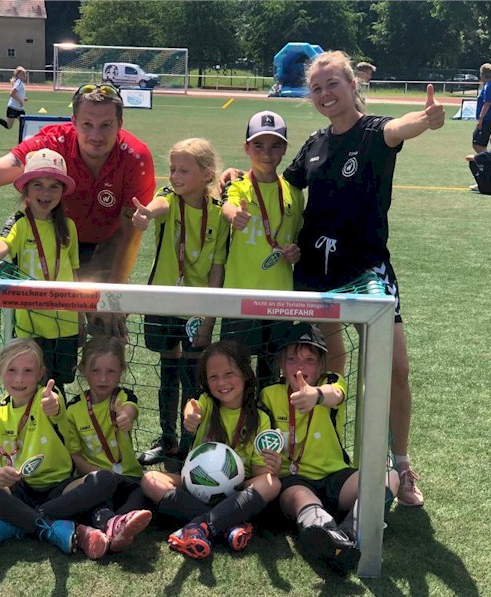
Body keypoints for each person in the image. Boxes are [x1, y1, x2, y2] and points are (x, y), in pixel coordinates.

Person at [276, 50, 444, 507]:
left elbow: (399, 127)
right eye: (317, 88)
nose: (325, 94)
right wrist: (240, 176)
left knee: (395, 370)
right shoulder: (313, 143)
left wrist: (425, 120)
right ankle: (328, 454)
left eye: (333, 84)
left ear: (353, 86)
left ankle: (401, 464)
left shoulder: (374, 134)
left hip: (367, 271)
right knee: (330, 367)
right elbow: (284, 188)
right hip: (315, 272)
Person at [0, 82, 156, 338]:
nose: (96, 135)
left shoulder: (135, 157)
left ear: (120, 123)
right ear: (73, 121)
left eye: (106, 125)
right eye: (87, 125)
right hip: (50, 241)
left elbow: (130, 233)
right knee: (43, 333)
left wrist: (114, 292)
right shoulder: (53, 142)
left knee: (107, 332)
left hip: (106, 245)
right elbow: (0, 168)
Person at [260, 323, 399, 574]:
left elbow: (335, 394)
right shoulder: (269, 394)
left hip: (336, 478)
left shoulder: (331, 382)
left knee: (390, 476)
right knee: (301, 496)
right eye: (291, 358)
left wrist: (316, 395)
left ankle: (344, 536)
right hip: (293, 481)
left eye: (309, 359)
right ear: (281, 363)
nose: (299, 366)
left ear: (322, 364)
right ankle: (324, 530)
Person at [131, 138, 231, 467]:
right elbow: (156, 208)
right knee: (167, 370)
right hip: (161, 302)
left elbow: (217, 269)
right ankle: (167, 438)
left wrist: (208, 318)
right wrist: (144, 214)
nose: (174, 175)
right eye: (172, 168)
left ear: (206, 174)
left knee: (192, 373)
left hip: (197, 308)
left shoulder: (217, 213)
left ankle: (190, 442)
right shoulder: (168, 200)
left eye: (183, 170)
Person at [0, 338, 120, 559]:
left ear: (41, 372)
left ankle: (23, 522)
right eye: (12, 370)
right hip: (19, 489)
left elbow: (55, 406)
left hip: (60, 489)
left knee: (105, 480)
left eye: (28, 371)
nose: (19, 379)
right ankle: (51, 529)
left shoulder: (48, 399)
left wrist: (52, 405)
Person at [140, 341, 282, 559]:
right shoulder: (206, 403)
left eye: (229, 373)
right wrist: (190, 416)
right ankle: (227, 525)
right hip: (196, 485)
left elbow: (259, 473)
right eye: (213, 377)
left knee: (272, 484)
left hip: (237, 490)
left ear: (245, 374)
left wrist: (271, 467)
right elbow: (193, 406)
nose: (221, 382)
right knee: (150, 480)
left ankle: (200, 526)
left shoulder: (260, 417)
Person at [0, 149, 79, 396]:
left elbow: (74, 272)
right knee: (30, 390)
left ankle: (52, 435)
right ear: (26, 190)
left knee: (57, 390)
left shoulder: (69, 226)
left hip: (66, 325)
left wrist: (81, 318)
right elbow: (3, 243)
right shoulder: (20, 222)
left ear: (62, 192)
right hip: (31, 327)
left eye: (54, 186)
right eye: (38, 185)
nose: (46, 193)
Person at [220, 110, 304, 388]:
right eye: (258, 145)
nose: (267, 153)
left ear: (284, 149)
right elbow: (228, 205)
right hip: (241, 294)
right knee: (236, 371)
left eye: (275, 145)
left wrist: (296, 251)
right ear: (246, 148)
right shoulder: (239, 185)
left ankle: (266, 426)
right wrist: (234, 215)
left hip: (280, 297)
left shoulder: (293, 191)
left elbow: (297, 235)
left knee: (271, 373)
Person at [62, 336, 152, 556]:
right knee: (98, 496)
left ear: (121, 370)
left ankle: (108, 528)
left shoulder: (123, 397)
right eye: (96, 371)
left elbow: (130, 408)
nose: (103, 378)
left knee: (141, 496)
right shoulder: (73, 409)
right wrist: (100, 475)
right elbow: (74, 454)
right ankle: (114, 527)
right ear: (83, 370)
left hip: (129, 479)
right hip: (96, 479)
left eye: (111, 371)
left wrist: (126, 417)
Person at [0, 66, 27, 130]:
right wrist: (20, 101)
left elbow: (17, 93)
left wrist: (23, 98)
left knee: (25, 124)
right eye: (23, 74)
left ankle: (23, 139)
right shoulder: (19, 83)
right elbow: (12, 93)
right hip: (13, 108)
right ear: (19, 75)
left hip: (19, 109)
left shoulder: (20, 83)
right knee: (9, 126)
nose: (25, 75)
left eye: (25, 74)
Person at [473, 63, 491, 153]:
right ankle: (488, 161)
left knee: (478, 144)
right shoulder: (488, 85)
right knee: (477, 143)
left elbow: (487, 103)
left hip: (487, 119)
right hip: (488, 119)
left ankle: (490, 163)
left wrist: (481, 118)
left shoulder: (489, 86)